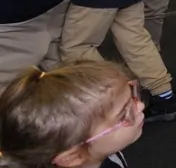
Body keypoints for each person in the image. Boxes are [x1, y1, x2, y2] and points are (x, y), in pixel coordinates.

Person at [0, 60, 143, 168]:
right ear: (72, 158)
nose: (141, 106)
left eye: (132, 91)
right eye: (124, 114)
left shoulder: (97, 151)